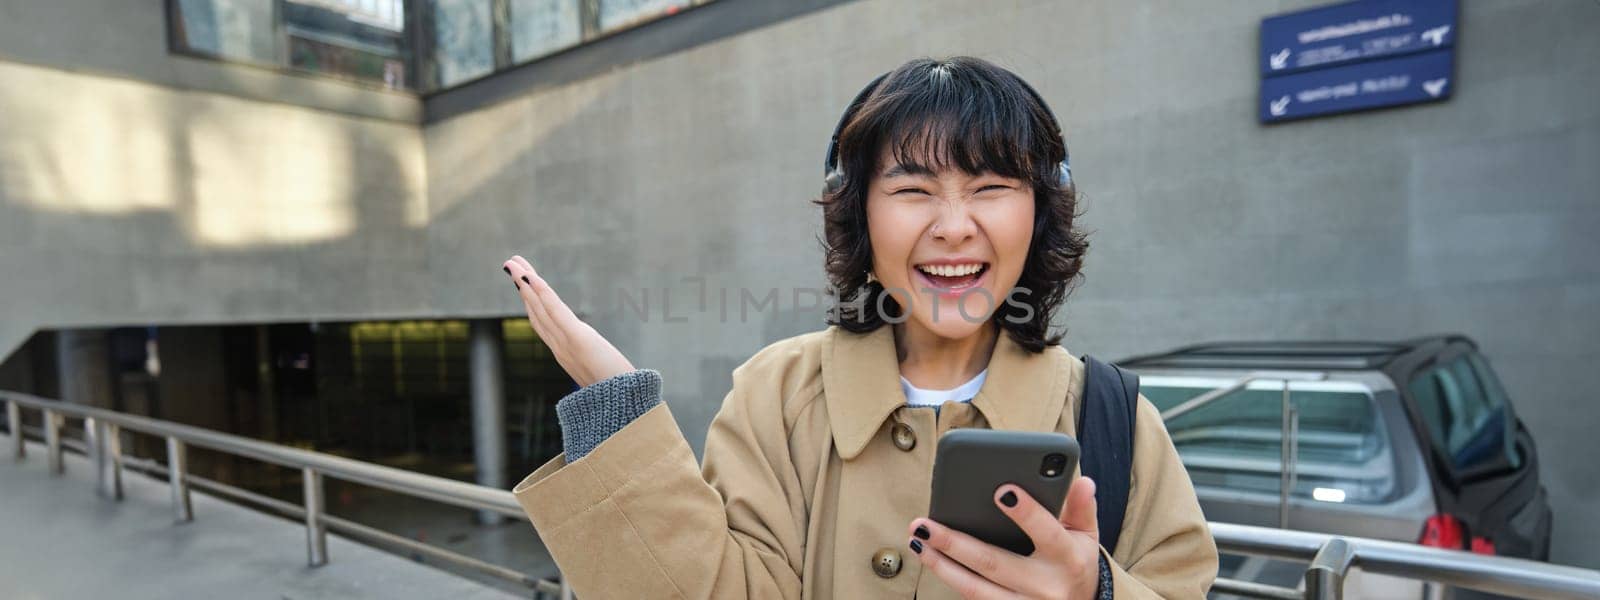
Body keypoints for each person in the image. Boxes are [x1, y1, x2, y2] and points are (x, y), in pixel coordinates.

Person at [500, 56, 1217, 599]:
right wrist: (621, 414)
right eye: (912, 191)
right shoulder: (777, 394)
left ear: (1039, 214)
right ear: (861, 217)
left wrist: (1097, 589)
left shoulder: (1117, 421)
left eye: (991, 189)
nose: (953, 227)